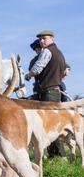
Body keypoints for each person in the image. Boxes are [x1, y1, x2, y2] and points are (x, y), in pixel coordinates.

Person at [24, 30, 67, 159]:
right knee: (53, 124)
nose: (42, 41)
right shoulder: (59, 53)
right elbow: (65, 72)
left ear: (52, 39)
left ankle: (58, 156)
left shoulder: (47, 51)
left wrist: (27, 75)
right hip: (55, 91)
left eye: (45, 38)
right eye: (41, 39)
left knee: (48, 126)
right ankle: (56, 156)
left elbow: (37, 69)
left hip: (47, 92)